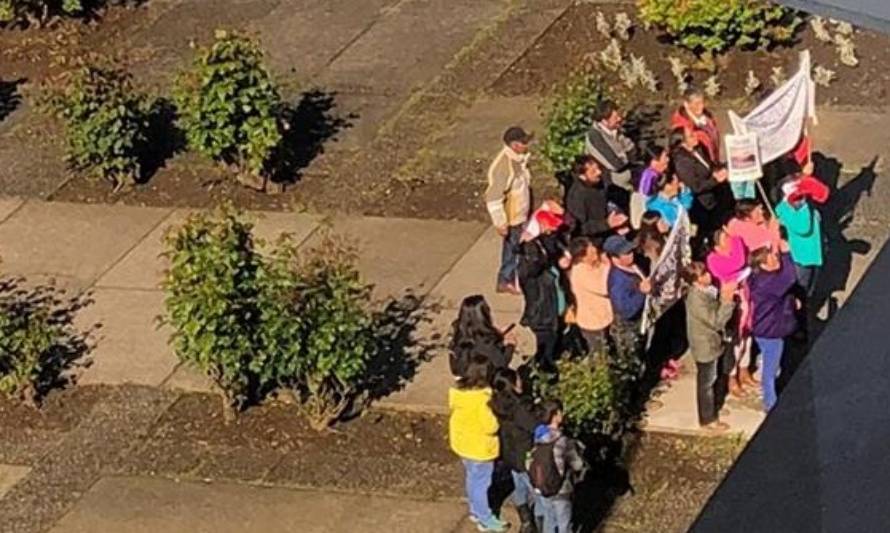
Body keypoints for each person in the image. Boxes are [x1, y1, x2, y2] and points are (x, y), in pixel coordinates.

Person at [449, 356, 508, 532]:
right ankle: (485, 518)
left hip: (462, 444)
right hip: (480, 448)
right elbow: (490, 426)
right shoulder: (483, 400)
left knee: (472, 479)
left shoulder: (459, 393)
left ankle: (475, 510)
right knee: (482, 484)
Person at [683, 262, 737, 432]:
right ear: (695, 281)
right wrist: (727, 301)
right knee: (706, 383)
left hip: (713, 342)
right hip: (704, 345)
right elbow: (716, 321)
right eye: (703, 274)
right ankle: (707, 419)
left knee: (715, 378)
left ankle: (714, 406)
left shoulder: (707, 291)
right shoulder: (696, 299)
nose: (708, 275)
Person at [518, 208, 571, 371]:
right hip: (543, 314)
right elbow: (530, 270)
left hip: (554, 308)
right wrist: (536, 250)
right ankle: (545, 372)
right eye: (551, 226)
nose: (553, 230)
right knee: (546, 348)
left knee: (555, 341)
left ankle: (552, 361)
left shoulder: (546, 241)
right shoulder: (531, 253)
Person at [748, 246, 799, 412]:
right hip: (770, 331)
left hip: (762, 327)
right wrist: (786, 253)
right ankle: (770, 405)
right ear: (762, 265)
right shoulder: (768, 283)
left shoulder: (758, 278)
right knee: (771, 372)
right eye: (773, 258)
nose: (777, 260)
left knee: (768, 362)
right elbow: (790, 276)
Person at [489, 368, 540, 533]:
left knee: (519, 487)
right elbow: (535, 427)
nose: (521, 382)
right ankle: (536, 524)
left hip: (509, 453)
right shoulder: (520, 408)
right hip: (524, 454)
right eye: (517, 379)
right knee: (536, 492)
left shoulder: (497, 403)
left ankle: (526, 521)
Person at [706, 227, 754, 396]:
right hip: (731, 303)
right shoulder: (713, 260)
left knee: (747, 336)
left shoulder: (734, 248)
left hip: (745, 296)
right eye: (726, 239)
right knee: (734, 341)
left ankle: (744, 369)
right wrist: (736, 238)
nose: (731, 241)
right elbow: (739, 262)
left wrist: (734, 237)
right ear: (717, 246)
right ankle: (732, 377)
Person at [486, 126, 534, 295]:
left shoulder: (518, 160)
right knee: (512, 251)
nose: (527, 144)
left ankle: (511, 278)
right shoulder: (504, 166)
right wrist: (500, 222)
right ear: (514, 145)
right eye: (524, 142)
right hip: (512, 217)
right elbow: (493, 198)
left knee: (515, 249)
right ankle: (505, 280)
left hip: (520, 213)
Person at [669, 126, 731, 248]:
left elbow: (709, 166)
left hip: (716, 194)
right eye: (691, 136)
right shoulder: (682, 162)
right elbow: (695, 186)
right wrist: (715, 180)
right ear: (682, 143)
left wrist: (717, 171)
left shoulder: (698, 149)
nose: (696, 136)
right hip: (704, 203)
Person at [529, 400, 585, 533]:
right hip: (561, 489)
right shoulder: (563, 441)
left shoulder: (538, 436)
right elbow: (578, 465)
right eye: (560, 412)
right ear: (555, 415)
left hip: (542, 485)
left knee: (549, 520)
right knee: (564, 525)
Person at [775, 166, 829, 298]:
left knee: (811, 286)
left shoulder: (803, 203)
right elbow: (803, 227)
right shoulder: (784, 209)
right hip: (802, 258)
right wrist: (802, 204)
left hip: (815, 252)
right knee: (802, 289)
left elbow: (822, 193)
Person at [450, 295, 515, 380]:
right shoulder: (487, 342)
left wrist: (497, 334)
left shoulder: (458, 333)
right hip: (483, 380)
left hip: (462, 376)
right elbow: (502, 363)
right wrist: (511, 346)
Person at [567, 237, 613, 358]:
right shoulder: (580, 273)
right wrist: (608, 266)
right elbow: (604, 288)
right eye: (591, 252)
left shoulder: (595, 264)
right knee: (599, 354)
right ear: (582, 257)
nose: (596, 252)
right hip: (593, 322)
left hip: (604, 316)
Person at [603, 235, 650, 352]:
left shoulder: (632, 266)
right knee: (633, 359)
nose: (631, 254)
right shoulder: (618, 281)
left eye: (630, 251)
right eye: (626, 253)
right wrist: (641, 292)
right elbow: (625, 311)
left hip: (640, 321)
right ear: (614, 258)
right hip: (628, 330)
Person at [565, 155, 626, 238]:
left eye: (598, 168)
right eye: (593, 171)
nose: (599, 172)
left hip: (614, 215)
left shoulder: (601, 178)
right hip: (600, 235)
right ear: (582, 176)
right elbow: (582, 228)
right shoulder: (576, 198)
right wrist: (607, 224)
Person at [585, 99, 636, 195]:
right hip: (611, 188)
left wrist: (624, 155)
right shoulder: (595, 137)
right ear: (604, 121)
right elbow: (616, 164)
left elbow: (633, 151)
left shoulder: (616, 131)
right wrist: (625, 156)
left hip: (628, 184)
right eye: (615, 117)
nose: (619, 119)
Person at [670, 87, 720, 163]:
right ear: (686, 104)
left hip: (712, 162)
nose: (701, 107)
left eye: (702, 102)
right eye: (697, 104)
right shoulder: (681, 126)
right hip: (698, 168)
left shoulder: (707, 116)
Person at [630, 144, 670, 228]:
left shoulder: (658, 175)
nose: (668, 160)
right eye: (665, 157)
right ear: (654, 162)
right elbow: (644, 201)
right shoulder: (647, 179)